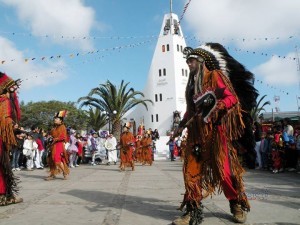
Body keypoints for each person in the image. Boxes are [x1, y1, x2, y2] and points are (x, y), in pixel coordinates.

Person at [172, 43, 258, 224]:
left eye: (191, 60)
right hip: (195, 136)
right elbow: (190, 110)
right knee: (191, 173)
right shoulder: (191, 86)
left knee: (226, 173)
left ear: (202, 61)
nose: (188, 64)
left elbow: (231, 98)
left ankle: (236, 203)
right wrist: (180, 127)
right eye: (187, 61)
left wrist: (218, 105)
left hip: (216, 134)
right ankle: (192, 211)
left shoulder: (215, 76)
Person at [0, 72, 23, 206]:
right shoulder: (5, 101)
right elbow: (5, 121)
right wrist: (15, 128)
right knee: (3, 166)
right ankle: (4, 196)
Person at [45, 110, 70, 181]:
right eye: (55, 119)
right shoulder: (54, 128)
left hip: (59, 145)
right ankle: (52, 174)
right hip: (53, 145)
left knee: (56, 159)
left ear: (61, 121)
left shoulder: (62, 127)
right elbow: (51, 135)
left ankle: (64, 172)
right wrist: (50, 138)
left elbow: (63, 137)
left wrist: (55, 139)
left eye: (56, 119)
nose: (55, 120)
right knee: (51, 160)